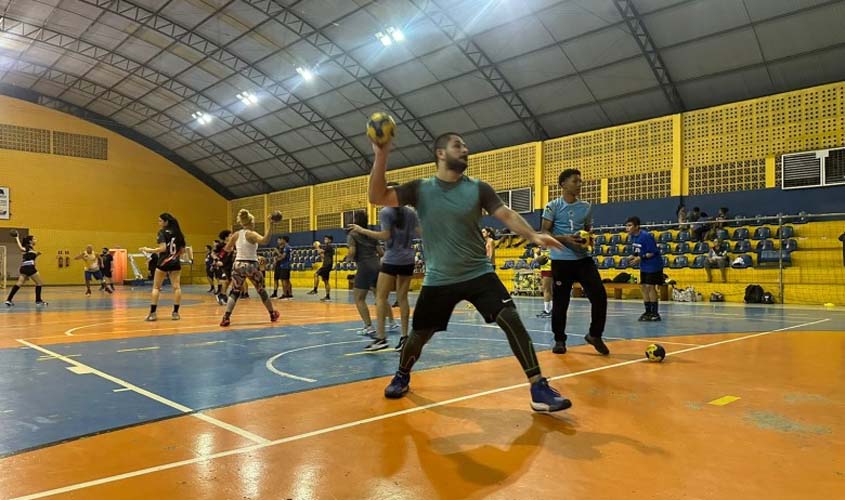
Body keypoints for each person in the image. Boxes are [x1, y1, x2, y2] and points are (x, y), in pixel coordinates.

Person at [369, 131, 571, 412]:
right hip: (440, 278)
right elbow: (377, 196)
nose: (465, 149)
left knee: (511, 318)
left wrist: (534, 235)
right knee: (418, 337)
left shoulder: (479, 188)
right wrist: (381, 154)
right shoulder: (420, 189)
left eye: (464, 145)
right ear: (441, 153)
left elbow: (507, 214)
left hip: (478, 272)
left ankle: (538, 386)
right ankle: (402, 374)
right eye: (457, 146)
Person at [541, 169, 609, 355]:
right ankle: (560, 340)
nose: (580, 184)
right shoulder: (552, 206)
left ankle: (595, 335)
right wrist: (565, 239)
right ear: (563, 184)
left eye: (580, 181)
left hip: (583, 260)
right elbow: (544, 233)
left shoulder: (586, 207)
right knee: (561, 302)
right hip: (561, 261)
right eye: (575, 181)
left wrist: (588, 240)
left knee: (600, 297)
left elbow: (587, 231)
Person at [348, 193, 416, 351]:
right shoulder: (411, 212)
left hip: (392, 259)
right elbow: (419, 231)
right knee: (403, 298)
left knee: (380, 297)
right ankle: (405, 338)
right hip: (408, 258)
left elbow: (385, 236)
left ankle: (380, 338)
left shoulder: (386, 212)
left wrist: (361, 230)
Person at [219, 209, 281, 327]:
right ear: (251, 223)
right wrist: (270, 225)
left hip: (238, 265)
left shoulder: (236, 234)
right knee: (261, 289)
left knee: (235, 291)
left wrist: (218, 258)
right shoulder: (251, 234)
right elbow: (265, 240)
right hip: (251, 265)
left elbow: (226, 249)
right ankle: (272, 313)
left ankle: (226, 317)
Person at [345, 210, 385, 337]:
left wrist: (348, 259)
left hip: (364, 267)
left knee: (359, 298)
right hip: (377, 266)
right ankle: (386, 323)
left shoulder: (353, 234)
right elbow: (381, 252)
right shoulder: (371, 234)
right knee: (379, 297)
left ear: (355, 220)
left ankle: (368, 326)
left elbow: (352, 252)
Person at [140, 213, 186, 321]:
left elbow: (163, 248)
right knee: (177, 287)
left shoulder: (162, 232)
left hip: (163, 263)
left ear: (166, 222)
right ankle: (175, 313)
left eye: (160, 221)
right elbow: (182, 251)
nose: (159, 223)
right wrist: (174, 257)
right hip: (175, 263)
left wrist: (148, 250)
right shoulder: (179, 233)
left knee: (156, 287)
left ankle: (152, 313)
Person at [625, 216, 664, 321]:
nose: (627, 228)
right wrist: (632, 256)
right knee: (643, 287)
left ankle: (655, 313)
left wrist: (639, 258)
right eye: (626, 226)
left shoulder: (646, 236)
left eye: (629, 225)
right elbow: (638, 251)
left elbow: (653, 252)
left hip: (654, 265)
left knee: (650, 287)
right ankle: (647, 312)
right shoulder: (633, 237)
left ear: (637, 227)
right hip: (644, 266)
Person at [5, 232, 47, 307]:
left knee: (19, 284)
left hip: (23, 268)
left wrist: (36, 255)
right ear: (30, 241)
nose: (36, 240)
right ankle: (38, 301)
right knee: (39, 283)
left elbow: (30, 258)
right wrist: (17, 237)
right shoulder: (27, 247)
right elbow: (21, 248)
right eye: (34, 239)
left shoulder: (31, 249)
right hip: (29, 268)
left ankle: (8, 300)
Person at [307, 235, 334, 301]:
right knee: (326, 281)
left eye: (326, 239)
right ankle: (327, 296)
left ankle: (315, 289)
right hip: (327, 264)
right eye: (325, 239)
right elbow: (322, 256)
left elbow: (320, 251)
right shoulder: (327, 248)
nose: (325, 240)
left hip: (327, 265)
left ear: (330, 240)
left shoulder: (329, 247)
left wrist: (317, 246)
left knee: (316, 274)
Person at [532, 246, 553, 318]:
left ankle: (547, 311)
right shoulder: (543, 245)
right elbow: (536, 252)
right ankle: (550, 310)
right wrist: (537, 257)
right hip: (545, 268)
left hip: (549, 268)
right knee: (548, 290)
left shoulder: (551, 245)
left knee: (546, 290)